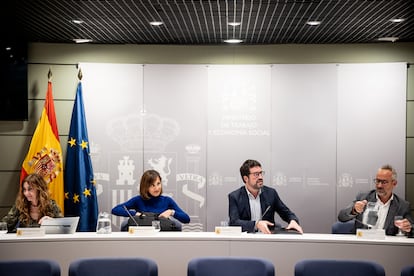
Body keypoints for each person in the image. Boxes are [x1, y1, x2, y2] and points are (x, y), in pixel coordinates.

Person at [228, 159, 303, 234]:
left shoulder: (271, 193)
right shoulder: (235, 197)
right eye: (256, 174)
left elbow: (286, 213)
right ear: (246, 178)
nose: (260, 177)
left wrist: (293, 220)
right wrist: (256, 224)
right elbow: (234, 222)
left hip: (268, 238)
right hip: (246, 239)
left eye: (261, 173)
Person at [338, 164, 413, 236]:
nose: (379, 185)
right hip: (363, 243)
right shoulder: (363, 197)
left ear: (394, 183)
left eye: (384, 182)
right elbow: (341, 217)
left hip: (387, 246)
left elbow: (411, 228)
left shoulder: (402, 206)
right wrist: (354, 210)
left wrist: (408, 228)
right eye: (377, 181)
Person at [112, 169, 190, 230]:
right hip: (142, 238)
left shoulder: (167, 200)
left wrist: (171, 212)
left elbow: (186, 219)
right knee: (125, 224)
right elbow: (115, 210)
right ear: (145, 186)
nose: (156, 188)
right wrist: (135, 214)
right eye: (152, 185)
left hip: (163, 238)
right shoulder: (138, 200)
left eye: (158, 183)